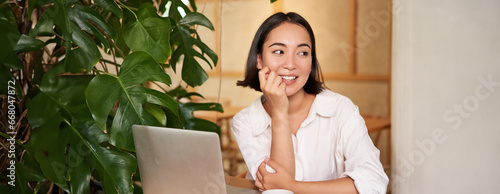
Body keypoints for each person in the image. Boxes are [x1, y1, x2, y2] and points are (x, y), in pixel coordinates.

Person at [231, 12, 389, 193]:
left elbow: (374, 183)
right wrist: (280, 110)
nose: (290, 64)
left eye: (302, 53)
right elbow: (277, 191)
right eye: (279, 51)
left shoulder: (341, 109)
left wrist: (294, 186)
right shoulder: (245, 121)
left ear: (311, 60)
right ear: (259, 59)